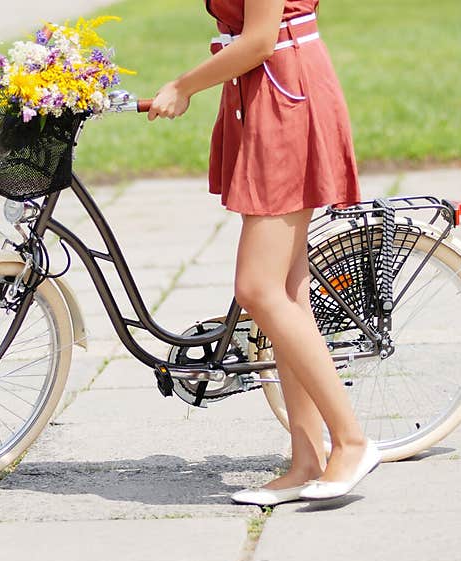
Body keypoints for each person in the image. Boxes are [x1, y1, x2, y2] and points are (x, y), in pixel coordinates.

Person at [147, 0, 380, 504]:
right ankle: (305, 462)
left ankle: (352, 441)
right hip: (269, 93)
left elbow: (258, 39)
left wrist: (183, 86)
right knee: (287, 296)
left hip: (286, 98)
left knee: (257, 288)